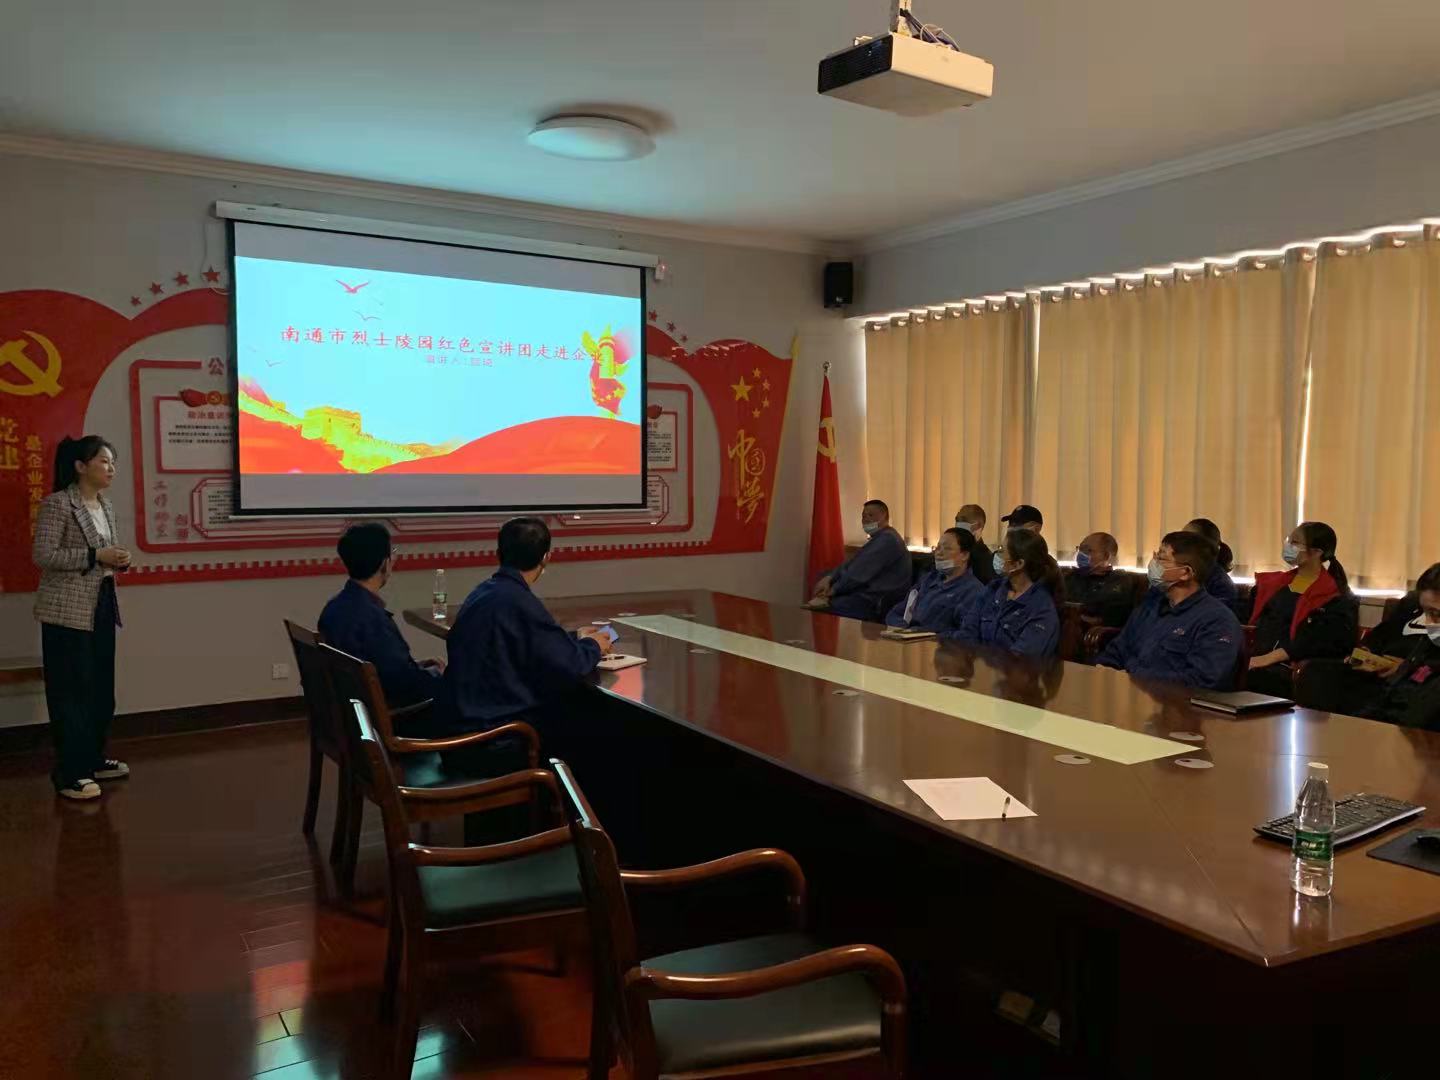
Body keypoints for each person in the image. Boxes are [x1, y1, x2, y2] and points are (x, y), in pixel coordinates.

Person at [441, 516, 613, 741]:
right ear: (546, 558)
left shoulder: (482, 593)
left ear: (498, 554)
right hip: (496, 734)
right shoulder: (519, 601)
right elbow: (568, 665)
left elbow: (527, 641)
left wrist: (572, 638)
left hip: (459, 723)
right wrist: (593, 645)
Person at [33, 436, 131, 801]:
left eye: (112, 462)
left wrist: (119, 559)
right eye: (104, 461)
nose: (111, 468)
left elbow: (105, 554)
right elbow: (44, 555)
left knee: (100, 688)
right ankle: (69, 773)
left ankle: (92, 758)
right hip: (65, 610)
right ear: (80, 466)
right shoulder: (58, 504)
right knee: (70, 691)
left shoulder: (105, 505)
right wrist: (95, 556)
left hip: (102, 604)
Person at [1294, 563, 1440, 728]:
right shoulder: (1415, 618)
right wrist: (1365, 654)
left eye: (1436, 614)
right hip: (1386, 680)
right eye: (1426, 612)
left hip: (1414, 695)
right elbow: (1380, 635)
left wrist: (1406, 667)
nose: (1428, 622)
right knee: (1318, 673)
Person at [318, 523, 442, 716]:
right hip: (393, 719)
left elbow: (384, 667)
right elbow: (405, 685)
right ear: (385, 563)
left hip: (354, 716)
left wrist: (418, 667)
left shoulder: (334, 608)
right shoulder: (372, 619)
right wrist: (438, 674)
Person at [1096, 532, 1242, 689]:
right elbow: (1118, 649)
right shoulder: (1150, 606)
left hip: (1172, 701)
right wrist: (1103, 669)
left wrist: (1133, 675)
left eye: (1161, 559)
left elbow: (1202, 679)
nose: (1153, 564)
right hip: (1125, 692)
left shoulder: (1216, 620)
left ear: (1185, 572)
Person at [1247, 521, 1359, 697]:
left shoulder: (1335, 597)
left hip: (1288, 667)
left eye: (1295, 542)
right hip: (1256, 655)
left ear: (1316, 552)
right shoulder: (1275, 584)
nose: (1288, 546)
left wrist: (1269, 658)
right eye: (1288, 540)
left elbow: (1320, 642)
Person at [946, 529, 1062, 657]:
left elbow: (1021, 658)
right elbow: (967, 632)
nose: (996, 556)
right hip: (977, 664)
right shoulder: (992, 590)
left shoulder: (1041, 608)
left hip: (1012, 668)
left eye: (1001, 551)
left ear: (1018, 564)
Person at [807, 499, 912, 621]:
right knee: (822, 577)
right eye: (864, 516)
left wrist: (832, 590)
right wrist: (829, 578)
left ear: (884, 517)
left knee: (819, 611)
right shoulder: (878, 538)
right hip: (864, 595)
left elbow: (857, 574)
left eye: (871, 515)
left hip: (876, 602)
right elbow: (851, 564)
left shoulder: (887, 540)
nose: (866, 519)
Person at [883, 527, 986, 633]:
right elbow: (896, 613)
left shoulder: (973, 591)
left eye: (947, 548)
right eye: (938, 547)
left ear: (965, 555)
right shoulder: (928, 579)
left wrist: (921, 633)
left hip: (935, 641)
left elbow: (964, 633)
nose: (939, 553)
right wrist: (904, 629)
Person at [1066, 532, 1138, 628]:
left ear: (1106, 556)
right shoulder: (1071, 576)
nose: (1081, 554)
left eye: (1088, 550)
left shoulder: (1118, 579)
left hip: (1092, 630)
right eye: (1080, 549)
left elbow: (1111, 613)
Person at [1183, 518, 1238, 604]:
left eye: (1187, 540)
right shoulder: (1182, 573)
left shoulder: (1221, 585)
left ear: (1206, 547)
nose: (1179, 544)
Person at [954, 504, 996, 584]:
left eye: (964, 520)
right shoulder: (952, 550)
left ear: (978, 526)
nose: (959, 523)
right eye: (957, 520)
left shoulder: (985, 559)